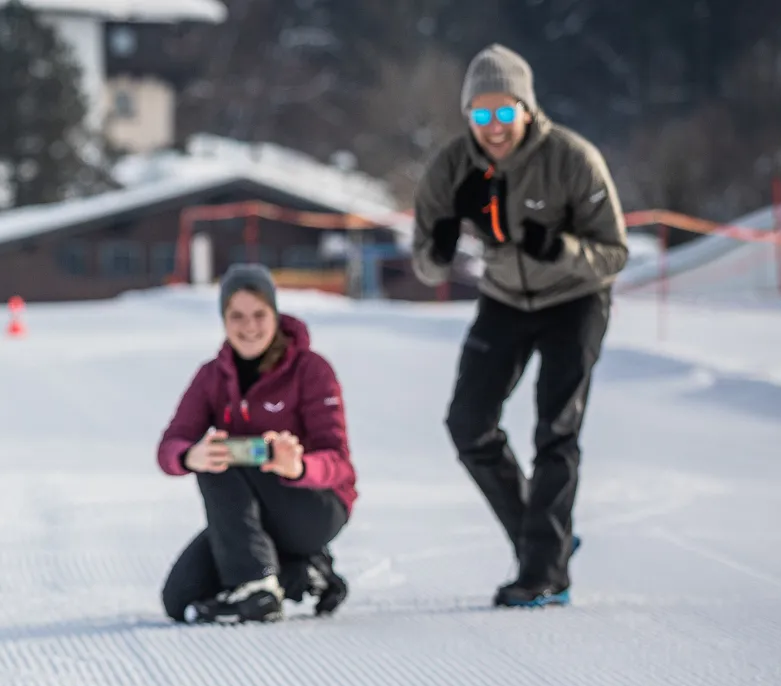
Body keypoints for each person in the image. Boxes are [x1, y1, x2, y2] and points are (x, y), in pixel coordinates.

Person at [411, 44, 628, 607]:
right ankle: (544, 538)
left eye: (504, 112)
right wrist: (439, 246)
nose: (494, 127)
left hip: (576, 298)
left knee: (555, 429)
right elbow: (423, 261)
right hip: (505, 298)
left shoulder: (572, 159)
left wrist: (558, 247)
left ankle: (544, 573)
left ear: (526, 109)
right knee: (467, 422)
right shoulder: (452, 166)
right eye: (480, 115)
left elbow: (615, 253)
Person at [157, 264, 358, 624]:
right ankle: (305, 574)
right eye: (237, 316)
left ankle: (256, 587)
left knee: (222, 466)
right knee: (179, 599)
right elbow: (170, 446)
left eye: (259, 315)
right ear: (223, 319)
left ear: (275, 315)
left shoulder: (311, 370)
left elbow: (338, 463)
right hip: (250, 515)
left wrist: (298, 466)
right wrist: (190, 455)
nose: (249, 326)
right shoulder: (212, 376)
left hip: (314, 506)